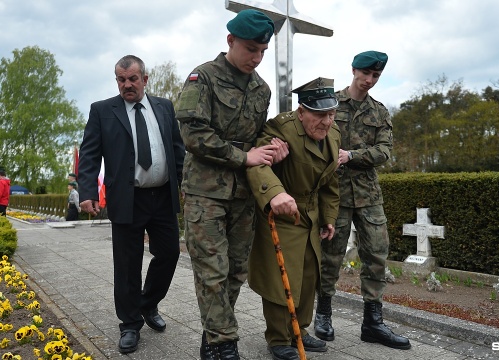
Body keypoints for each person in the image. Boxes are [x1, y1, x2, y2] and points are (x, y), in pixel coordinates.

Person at [174, 9, 281, 360]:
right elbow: (193, 135)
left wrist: (274, 147)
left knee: (236, 271)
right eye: (251, 49)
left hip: (243, 195)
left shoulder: (261, 89)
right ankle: (223, 345)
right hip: (205, 192)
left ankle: (213, 335)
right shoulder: (201, 78)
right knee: (212, 271)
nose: (257, 57)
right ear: (230, 41)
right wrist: (244, 156)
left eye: (263, 50)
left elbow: (258, 137)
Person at [78, 55, 185, 354]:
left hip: (162, 197)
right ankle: (129, 325)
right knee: (127, 266)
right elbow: (89, 154)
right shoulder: (102, 111)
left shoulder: (164, 106)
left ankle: (147, 304)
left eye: (132, 79)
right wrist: (87, 191)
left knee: (170, 253)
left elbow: (177, 149)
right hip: (127, 199)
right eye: (121, 80)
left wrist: (186, 182)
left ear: (145, 79)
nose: (127, 85)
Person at [313, 51, 411, 350]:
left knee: (377, 257)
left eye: (376, 76)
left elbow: (384, 151)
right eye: (365, 74)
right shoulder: (329, 103)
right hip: (334, 194)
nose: (369, 80)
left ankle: (373, 323)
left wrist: (352, 156)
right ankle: (323, 315)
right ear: (354, 70)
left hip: (368, 196)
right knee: (330, 257)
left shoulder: (379, 112)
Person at [246, 77, 340, 360]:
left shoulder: (333, 134)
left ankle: (300, 329)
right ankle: (278, 338)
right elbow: (258, 164)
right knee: (281, 276)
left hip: (310, 214)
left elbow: (329, 182)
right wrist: (275, 192)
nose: (326, 121)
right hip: (283, 211)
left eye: (331, 113)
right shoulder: (281, 128)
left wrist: (328, 217)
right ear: (302, 112)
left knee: (309, 275)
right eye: (319, 114)